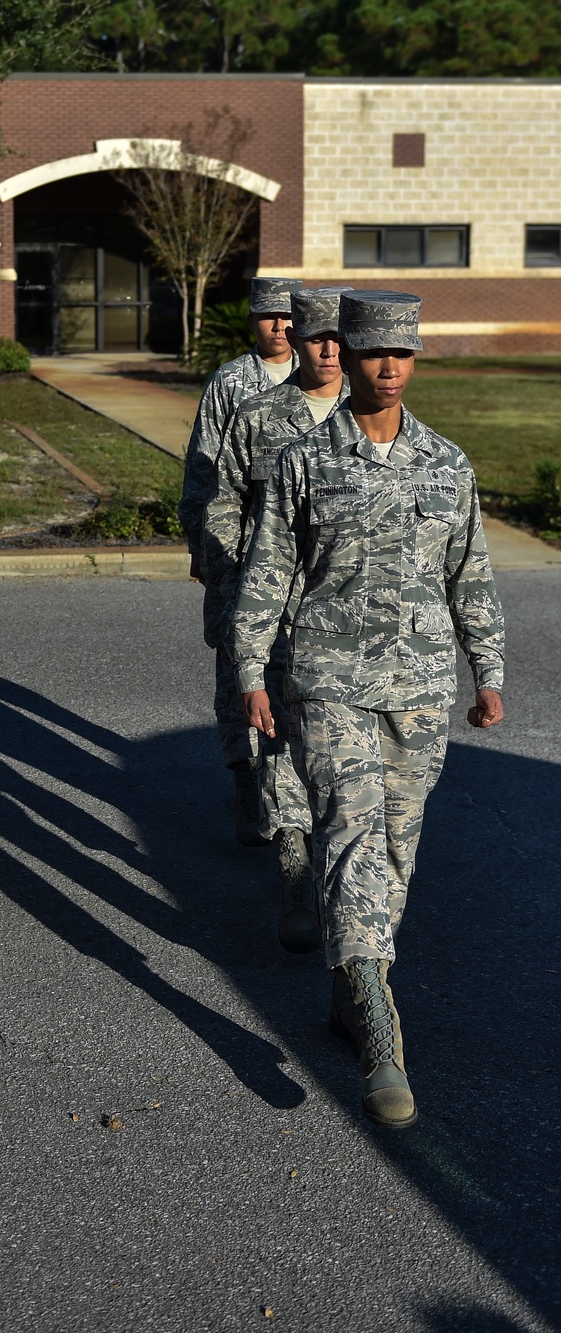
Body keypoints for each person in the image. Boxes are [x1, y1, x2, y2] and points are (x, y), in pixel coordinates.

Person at [230, 289, 505, 1129]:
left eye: (403, 354)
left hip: (420, 691)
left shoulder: (445, 464)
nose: (388, 367)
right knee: (349, 830)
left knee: (394, 845)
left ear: (415, 361)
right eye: (373, 352)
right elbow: (269, 571)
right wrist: (249, 668)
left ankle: (354, 989)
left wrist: (487, 669)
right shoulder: (304, 463)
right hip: (331, 679)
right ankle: (382, 1033)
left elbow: (471, 575)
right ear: (344, 356)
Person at [208, 286, 351, 953]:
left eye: (335, 336)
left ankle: (346, 880)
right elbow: (223, 503)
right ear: (294, 339)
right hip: (278, 611)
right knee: (281, 737)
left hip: (354, 620)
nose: (325, 347)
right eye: (314, 334)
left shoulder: (371, 421)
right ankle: (294, 866)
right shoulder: (258, 417)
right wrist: (240, 583)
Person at [178, 275, 302, 846]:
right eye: (269, 317)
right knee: (237, 669)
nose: (281, 328)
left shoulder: (329, 378)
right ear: (253, 321)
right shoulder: (233, 382)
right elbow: (205, 470)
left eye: (289, 317)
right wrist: (205, 548)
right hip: (238, 551)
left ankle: (297, 788)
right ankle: (246, 781)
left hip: (302, 561)